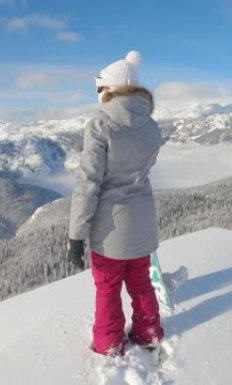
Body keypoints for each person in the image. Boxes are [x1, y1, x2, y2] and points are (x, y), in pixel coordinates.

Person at [66, 50, 164, 357]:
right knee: (140, 281)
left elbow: (88, 183)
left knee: (108, 287)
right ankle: (148, 332)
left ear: (110, 89)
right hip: (143, 221)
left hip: (110, 228)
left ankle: (109, 342)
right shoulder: (151, 126)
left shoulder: (100, 126)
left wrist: (76, 233)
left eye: (100, 88)